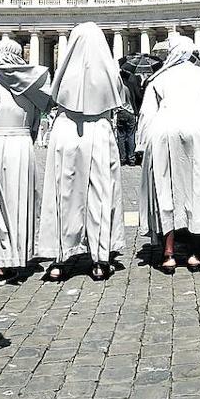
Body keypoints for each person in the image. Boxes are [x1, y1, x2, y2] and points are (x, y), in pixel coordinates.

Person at [37, 22, 129, 282]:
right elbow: (117, 97)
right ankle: (100, 259)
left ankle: (60, 258)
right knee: (101, 193)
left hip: (67, 130)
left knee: (63, 193)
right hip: (99, 129)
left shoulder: (65, 73)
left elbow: (54, 96)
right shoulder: (110, 73)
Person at [136, 35, 200, 273]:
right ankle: (194, 252)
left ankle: (168, 253)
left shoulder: (158, 77)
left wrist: (142, 146)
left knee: (166, 189)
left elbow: (147, 115)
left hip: (164, 131)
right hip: (198, 130)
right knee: (197, 188)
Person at [0, 36, 51, 284]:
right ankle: (9, 260)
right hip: (18, 146)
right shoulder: (32, 90)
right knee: (16, 203)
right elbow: (37, 121)